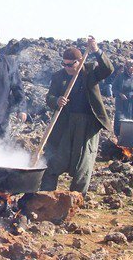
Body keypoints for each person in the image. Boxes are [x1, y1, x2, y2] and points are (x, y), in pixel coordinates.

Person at [39, 37, 113, 196]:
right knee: (56, 158)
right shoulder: (59, 76)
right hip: (66, 122)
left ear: (79, 61)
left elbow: (108, 69)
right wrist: (57, 100)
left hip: (88, 123)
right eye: (64, 64)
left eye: (70, 64)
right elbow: (49, 97)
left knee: (83, 161)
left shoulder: (90, 71)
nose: (66, 67)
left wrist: (96, 51)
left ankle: (76, 198)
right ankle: (46, 194)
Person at [112, 60, 133, 135]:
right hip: (122, 103)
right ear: (126, 67)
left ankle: (131, 138)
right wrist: (120, 94)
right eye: (130, 66)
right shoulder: (120, 76)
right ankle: (119, 137)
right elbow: (114, 88)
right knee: (120, 120)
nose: (132, 68)